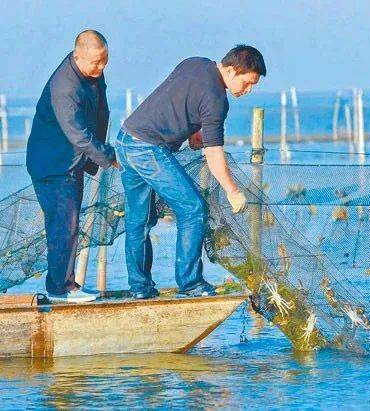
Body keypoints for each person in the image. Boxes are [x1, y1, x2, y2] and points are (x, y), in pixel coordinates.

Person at [115, 44, 266, 299]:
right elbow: (213, 153)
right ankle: (192, 284)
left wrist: (195, 129)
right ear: (230, 70)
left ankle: (140, 289)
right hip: (149, 148)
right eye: (247, 82)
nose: (248, 90)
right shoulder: (217, 100)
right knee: (193, 209)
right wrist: (232, 191)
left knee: (138, 221)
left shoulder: (196, 62)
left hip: (125, 140)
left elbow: (180, 95)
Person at [26, 30, 118, 303]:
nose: (100, 67)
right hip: (53, 164)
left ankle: (65, 285)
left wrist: (93, 159)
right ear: (77, 56)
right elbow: (77, 134)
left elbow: (101, 112)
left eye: (104, 60)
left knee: (69, 223)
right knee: (64, 225)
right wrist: (109, 156)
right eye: (95, 62)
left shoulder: (92, 73)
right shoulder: (64, 86)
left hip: (73, 162)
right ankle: (60, 289)